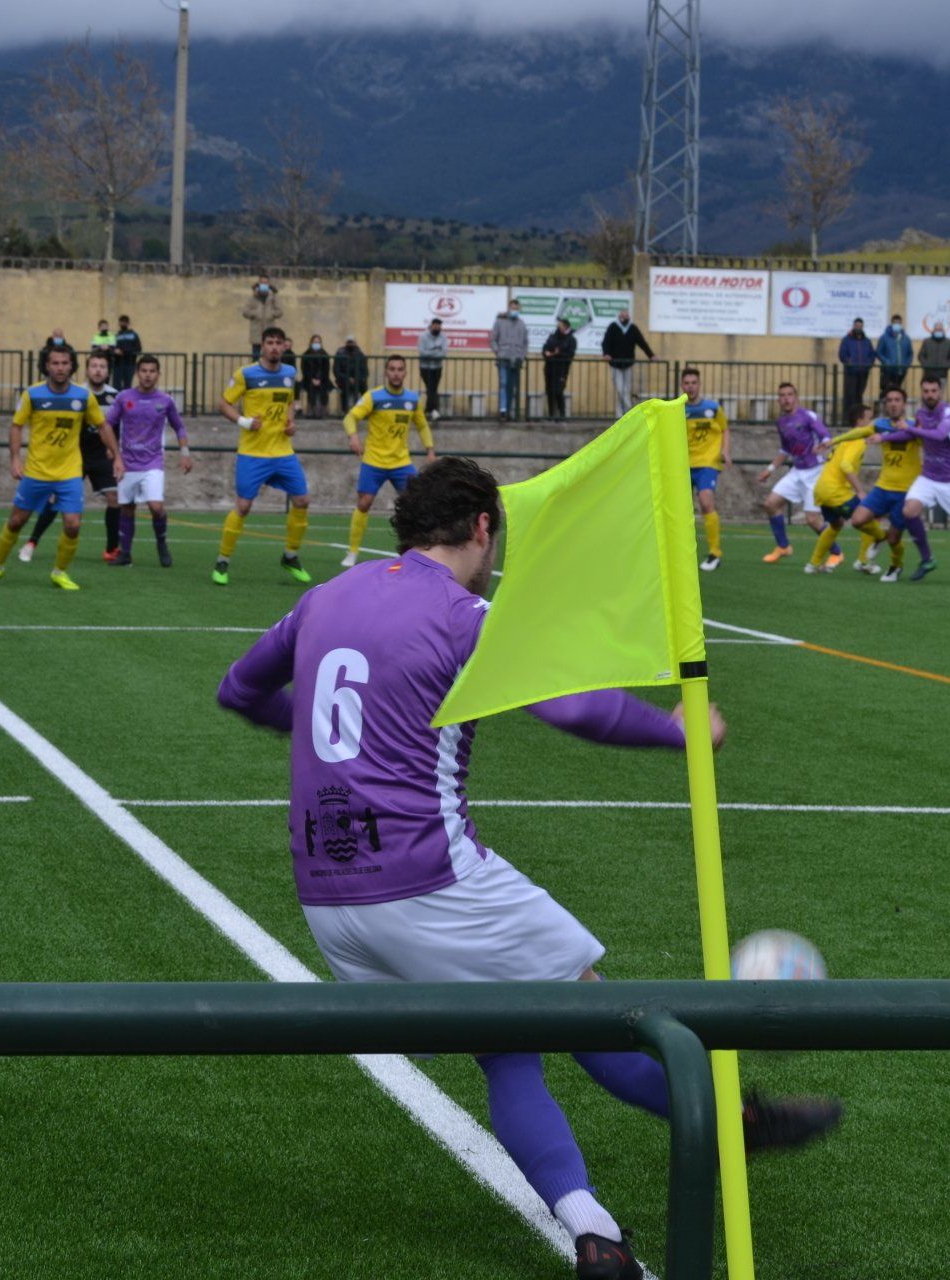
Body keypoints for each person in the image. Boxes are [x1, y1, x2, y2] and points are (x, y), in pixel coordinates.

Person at [214, 457, 839, 1280]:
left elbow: (239, 691)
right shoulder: (465, 613)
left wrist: (326, 737)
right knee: (592, 1009)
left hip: (330, 898)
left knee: (505, 1047)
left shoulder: (323, 597)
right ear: (482, 528)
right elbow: (576, 706)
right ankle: (731, 1124)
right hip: (428, 875)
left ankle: (594, 1233)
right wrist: (679, 732)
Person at [0, 345, 115, 592]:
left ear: (72, 365)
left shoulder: (83, 397)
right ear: (47, 366)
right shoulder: (33, 394)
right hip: (36, 471)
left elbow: (103, 426)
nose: (60, 368)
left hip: (70, 471)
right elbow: (16, 426)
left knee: (72, 525)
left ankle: (59, 573)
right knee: (17, 522)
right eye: (55, 363)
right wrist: (15, 459)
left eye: (64, 363)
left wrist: (118, 456)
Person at [213, 326, 310, 586]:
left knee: (302, 500)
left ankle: (290, 556)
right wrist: (244, 422)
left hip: (282, 452)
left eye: (279, 342)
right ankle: (223, 560)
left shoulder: (290, 373)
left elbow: (288, 402)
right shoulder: (246, 374)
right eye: (270, 342)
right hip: (252, 453)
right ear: (262, 346)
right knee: (243, 507)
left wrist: (291, 422)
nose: (275, 347)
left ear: (285, 346)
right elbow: (223, 404)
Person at [25, 352, 123, 563]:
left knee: (115, 499)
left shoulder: (116, 396)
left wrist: (115, 452)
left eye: (103, 366)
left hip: (101, 455)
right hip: (75, 454)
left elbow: (115, 427)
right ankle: (32, 541)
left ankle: (112, 549)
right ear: (86, 369)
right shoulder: (77, 393)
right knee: (56, 499)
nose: (98, 370)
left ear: (108, 371)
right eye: (94, 366)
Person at [341, 355, 436, 566]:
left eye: (400, 369)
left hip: (401, 462)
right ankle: (352, 552)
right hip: (373, 461)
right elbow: (350, 417)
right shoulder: (373, 397)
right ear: (386, 372)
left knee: (415, 505)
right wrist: (353, 436)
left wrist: (430, 450)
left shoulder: (412, 400)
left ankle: (412, 552)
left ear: (405, 373)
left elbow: (422, 425)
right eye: (392, 369)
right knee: (364, 503)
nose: (396, 373)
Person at [892, 377, 950, 586]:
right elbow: (912, 436)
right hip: (928, 476)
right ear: (921, 392)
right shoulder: (920, 414)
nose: (930, 395)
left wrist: (908, 428)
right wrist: (884, 437)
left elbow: (939, 434)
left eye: (933, 391)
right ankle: (927, 559)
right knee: (909, 511)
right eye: (925, 391)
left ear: (941, 392)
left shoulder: (949, 412)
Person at [106, 353, 193, 569]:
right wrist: (114, 452)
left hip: (152, 462)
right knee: (127, 507)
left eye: (152, 371)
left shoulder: (165, 401)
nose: (147, 375)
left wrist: (185, 452)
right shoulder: (124, 397)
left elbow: (179, 426)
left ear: (158, 374)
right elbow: (107, 424)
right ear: (137, 373)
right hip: (127, 462)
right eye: (143, 371)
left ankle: (162, 544)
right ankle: (125, 553)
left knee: (156, 507)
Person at [829, 386, 922, 581]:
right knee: (857, 519)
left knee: (895, 537)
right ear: (885, 405)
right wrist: (832, 441)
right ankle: (880, 538)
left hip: (906, 491)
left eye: (897, 400)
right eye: (889, 400)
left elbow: (928, 441)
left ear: (904, 404)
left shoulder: (913, 425)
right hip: (883, 486)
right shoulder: (880, 424)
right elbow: (859, 432)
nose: (893, 404)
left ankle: (896, 567)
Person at [806, 404, 890, 576]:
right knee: (870, 516)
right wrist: (860, 490)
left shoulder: (845, 439)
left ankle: (813, 564)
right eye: (869, 418)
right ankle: (864, 561)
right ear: (859, 421)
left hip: (821, 488)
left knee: (835, 525)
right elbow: (845, 465)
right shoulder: (858, 440)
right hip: (835, 491)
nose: (872, 422)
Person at [754, 382, 834, 565]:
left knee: (812, 520)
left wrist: (825, 444)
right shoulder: (781, 422)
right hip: (797, 471)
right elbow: (785, 450)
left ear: (796, 397)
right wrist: (770, 470)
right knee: (771, 504)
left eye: (789, 394)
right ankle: (783, 547)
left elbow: (825, 435)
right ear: (778, 400)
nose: (786, 398)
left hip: (815, 472)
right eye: (782, 395)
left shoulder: (807, 416)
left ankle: (836, 552)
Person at [681, 367, 731, 572]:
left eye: (694, 383)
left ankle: (714, 553)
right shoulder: (678, 409)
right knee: (681, 510)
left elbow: (726, 429)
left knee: (705, 501)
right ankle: (682, 553)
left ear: (699, 385)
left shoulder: (712, 408)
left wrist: (725, 451)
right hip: (684, 464)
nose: (690, 386)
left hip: (708, 463)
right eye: (687, 383)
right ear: (682, 385)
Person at [601, 307, 655, 415]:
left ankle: (620, 414)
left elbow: (642, 343)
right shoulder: (613, 327)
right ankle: (630, 411)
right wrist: (606, 354)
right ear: (619, 316)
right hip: (615, 365)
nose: (624, 317)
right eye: (622, 315)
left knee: (626, 390)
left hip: (628, 365)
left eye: (626, 315)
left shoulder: (633, 328)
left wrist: (651, 355)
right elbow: (606, 341)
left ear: (628, 316)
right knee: (620, 390)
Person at [490, 299, 529, 421]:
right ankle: (502, 410)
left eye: (516, 309)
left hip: (516, 359)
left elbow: (525, 342)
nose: (514, 311)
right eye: (513, 308)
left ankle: (509, 411)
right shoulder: (499, 322)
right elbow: (493, 339)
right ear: (508, 308)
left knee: (512, 387)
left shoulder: (522, 324)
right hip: (503, 358)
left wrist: (522, 356)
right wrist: (498, 351)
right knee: (503, 383)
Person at [836, 318, 876, 425]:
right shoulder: (846, 340)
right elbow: (842, 354)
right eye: (857, 326)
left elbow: (872, 354)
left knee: (859, 396)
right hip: (851, 372)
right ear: (854, 326)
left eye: (860, 326)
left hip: (863, 372)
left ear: (862, 327)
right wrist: (849, 362)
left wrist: (869, 363)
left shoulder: (867, 341)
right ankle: (847, 420)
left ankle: (859, 419)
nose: (858, 328)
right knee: (850, 396)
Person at [541, 317, 577, 421]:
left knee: (558, 391)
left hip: (562, 370)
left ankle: (562, 415)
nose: (558, 327)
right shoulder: (552, 337)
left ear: (566, 327)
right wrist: (549, 353)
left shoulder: (571, 339)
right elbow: (545, 349)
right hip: (549, 368)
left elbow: (570, 354)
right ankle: (551, 415)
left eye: (561, 325)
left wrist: (556, 353)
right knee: (550, 391)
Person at [243, 274, 284, 357]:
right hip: (256, 333)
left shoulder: (273, 296)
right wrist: (255, 313)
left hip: (269, 332)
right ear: (259, 283)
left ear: (269, 284)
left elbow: (280, 311)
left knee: (268, 356)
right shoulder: (253, 297)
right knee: (256, 357)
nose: (264, 284)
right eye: (262, 282)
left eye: (266, 283)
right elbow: (245, 311)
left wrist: (271, 314)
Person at [417, 317, 448, 421]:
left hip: (437, 367)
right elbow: (422, 352)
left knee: (433, 389)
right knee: (430, 388)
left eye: (439, 326)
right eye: (435, 325)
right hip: (425, 367)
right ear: (431, 326)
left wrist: (430, 351)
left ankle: (428, 411)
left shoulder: (443, 337)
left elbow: (443, 353)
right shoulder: (423, 336)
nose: (437, 327)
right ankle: (433, 410)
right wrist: (435, 350)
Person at [876, 314, 913, 395]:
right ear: (891, 323)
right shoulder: (884, 337)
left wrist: (906, 364)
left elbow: (910, 353)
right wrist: (887, 362)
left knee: (897, 391)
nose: (897, 325)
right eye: (895, 323)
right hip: (887, 370)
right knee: (886, 391)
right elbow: (879, 352)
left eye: (899, 323)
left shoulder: (906, 339)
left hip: (901, 371)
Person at [917, 324, 950, 400]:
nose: (938, 331)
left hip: (942, 375)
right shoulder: (927, 341)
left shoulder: (949, 342)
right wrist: (926, 365)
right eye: (937, 330)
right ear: (933, 331)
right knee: (926, 396)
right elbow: (921, 356)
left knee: (939, 396)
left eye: (940, 330)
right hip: (928, 374)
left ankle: (938, 412)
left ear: (943, 331)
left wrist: (946, 365)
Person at [299, 334, 334, 419]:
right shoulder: (306, 354)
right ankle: (312, 410)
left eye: (318, 342)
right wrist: (311, 379)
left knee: (324, 388)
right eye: (315, 342)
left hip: (323, 379)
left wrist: (320, 380)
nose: (316, 343)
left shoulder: (324, 354)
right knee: (310, 388)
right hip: (308, 379)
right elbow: (304, 369)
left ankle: (321, 411)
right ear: (311, 343)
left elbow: (326, 370)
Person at [333, 336, 369, 415]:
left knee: (365, 390)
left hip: (358, 380)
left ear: (355, 343)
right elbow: (336, 371)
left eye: (352, 342)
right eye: (349, 342)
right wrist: (347, 378)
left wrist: (356, 378)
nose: (350, 344)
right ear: (346, 343)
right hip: (343, 379)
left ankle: (365, 411)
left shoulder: (360, 355)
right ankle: (345, 411)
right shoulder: (340, 354)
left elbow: (365, 371)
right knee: (345, 388)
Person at [112, 315, 143, 389]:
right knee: (116, 385)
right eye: (121, 322)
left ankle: (126, 400)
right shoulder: (116, 335)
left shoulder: (134, 335)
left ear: (128, 323)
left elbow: (138, 348)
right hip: (118, 364)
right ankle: (118, 400)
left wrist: (124, 351)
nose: (123, 324)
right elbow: (112, 348)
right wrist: (114, 351)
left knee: (127, 385)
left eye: (125, 322)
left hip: (130, 363)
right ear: (119, 323)